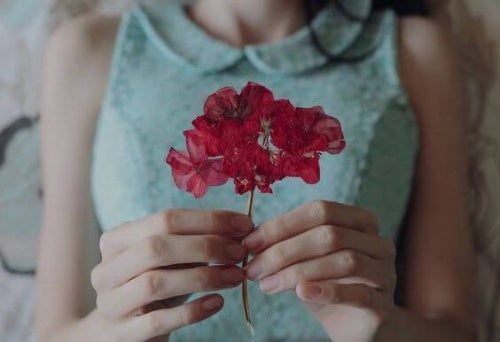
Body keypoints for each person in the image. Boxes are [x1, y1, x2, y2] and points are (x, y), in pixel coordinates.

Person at [36, 0, 476, 341]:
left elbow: (456, 330)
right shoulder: (89, 52)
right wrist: (114, 331)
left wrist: (381, 329)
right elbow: (53, 331)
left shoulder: (414, 49)